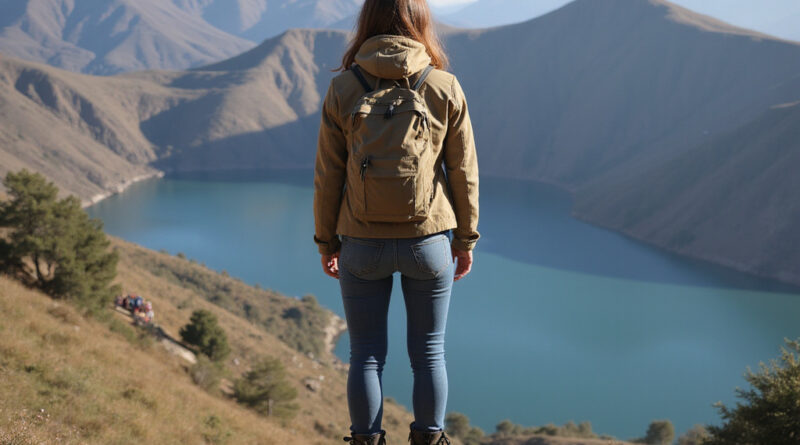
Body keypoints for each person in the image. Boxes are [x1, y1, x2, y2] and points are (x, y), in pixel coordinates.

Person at [313, 1, 479, 444]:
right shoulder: (443, 85)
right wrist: (465, 240)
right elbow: (463, 173)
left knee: (365, 355)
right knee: (428, 353)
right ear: (421, 23)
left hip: (361, 244)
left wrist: (326, 242)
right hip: (429, 243)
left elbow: (328, 175)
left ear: (365, 22)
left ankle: (366, 440)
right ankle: (429, 438)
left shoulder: (344, 88)